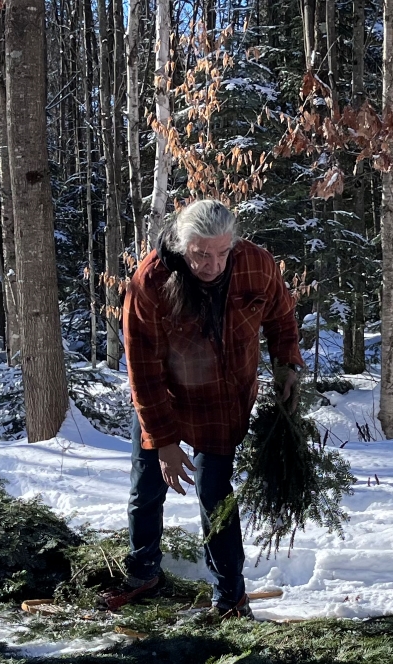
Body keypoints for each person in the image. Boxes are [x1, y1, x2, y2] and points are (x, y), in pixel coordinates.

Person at [115, 198, 303, 619]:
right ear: (183, 246)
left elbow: (281, 316)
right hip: (163, 399)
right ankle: (143, 571)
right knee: (145, 491)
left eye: (221, 253)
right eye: (201, 254)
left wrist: (286, 364)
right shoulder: (151, 281)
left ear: (232, 243)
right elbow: (142, 371)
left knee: (216, 497)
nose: (212, 264)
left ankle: (231, 598)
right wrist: (163, 441)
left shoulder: (255, 263)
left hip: (224, 401)